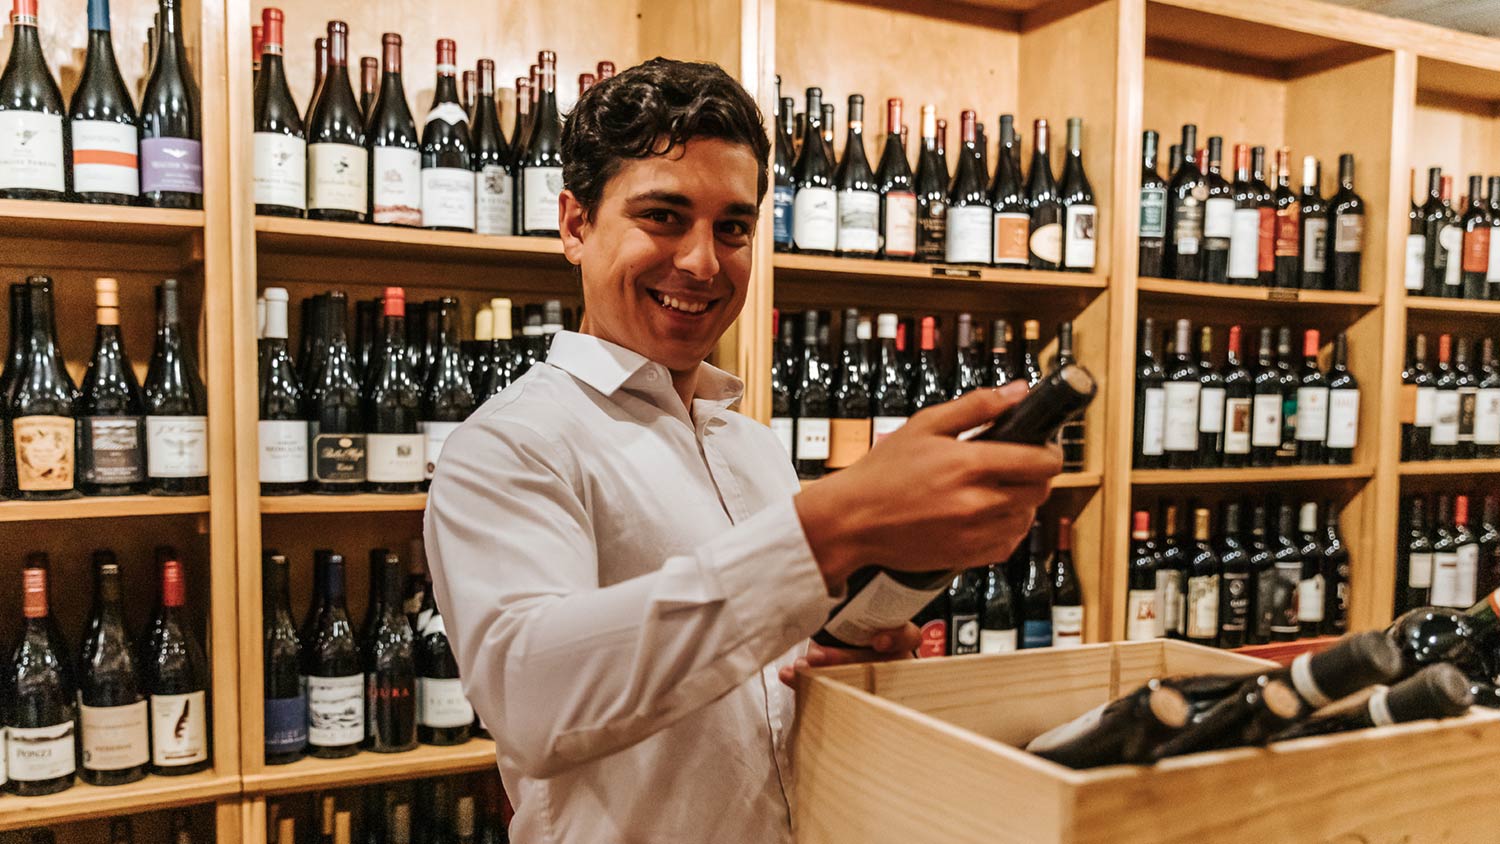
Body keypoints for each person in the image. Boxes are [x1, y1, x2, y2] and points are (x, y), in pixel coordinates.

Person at [424, 58, 1060, 843]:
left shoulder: (754, 446)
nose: (702, 262)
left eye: (732, 227)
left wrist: (844, 658)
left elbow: (751, 674)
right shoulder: (510, 443)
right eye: (664, 216)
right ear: (575, 225)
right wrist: (836, 521)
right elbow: (532, 699)